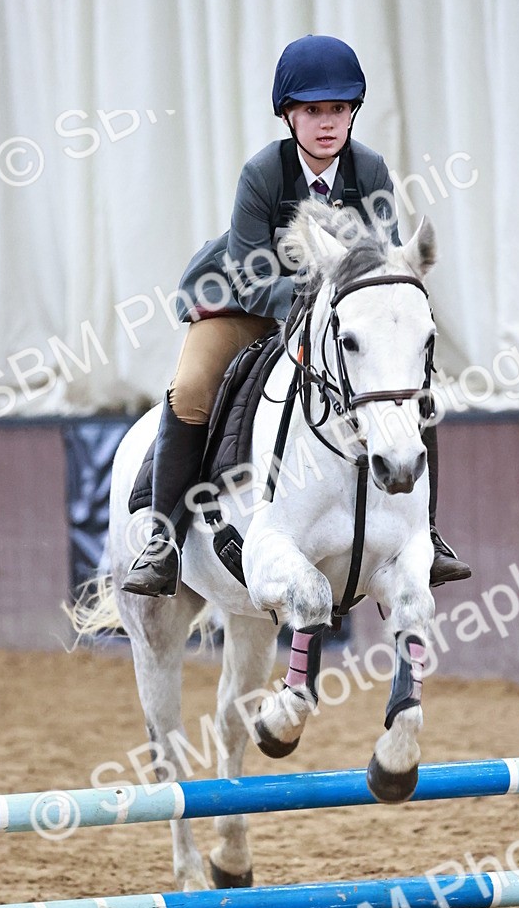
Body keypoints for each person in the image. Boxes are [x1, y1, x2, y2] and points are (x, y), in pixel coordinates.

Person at [123, 34, 471, 598]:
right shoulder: (263, 172)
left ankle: (426, 533)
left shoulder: (371, 170)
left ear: (354, 111)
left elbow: (388, 263)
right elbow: (248, 273)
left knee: (414, 393)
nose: (327, 122)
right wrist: (311, 307)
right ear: (289, 114)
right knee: (189, 389)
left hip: (332, 316)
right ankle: (162, 540)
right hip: (245, 304)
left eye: (339, 109)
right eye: (313, 110)